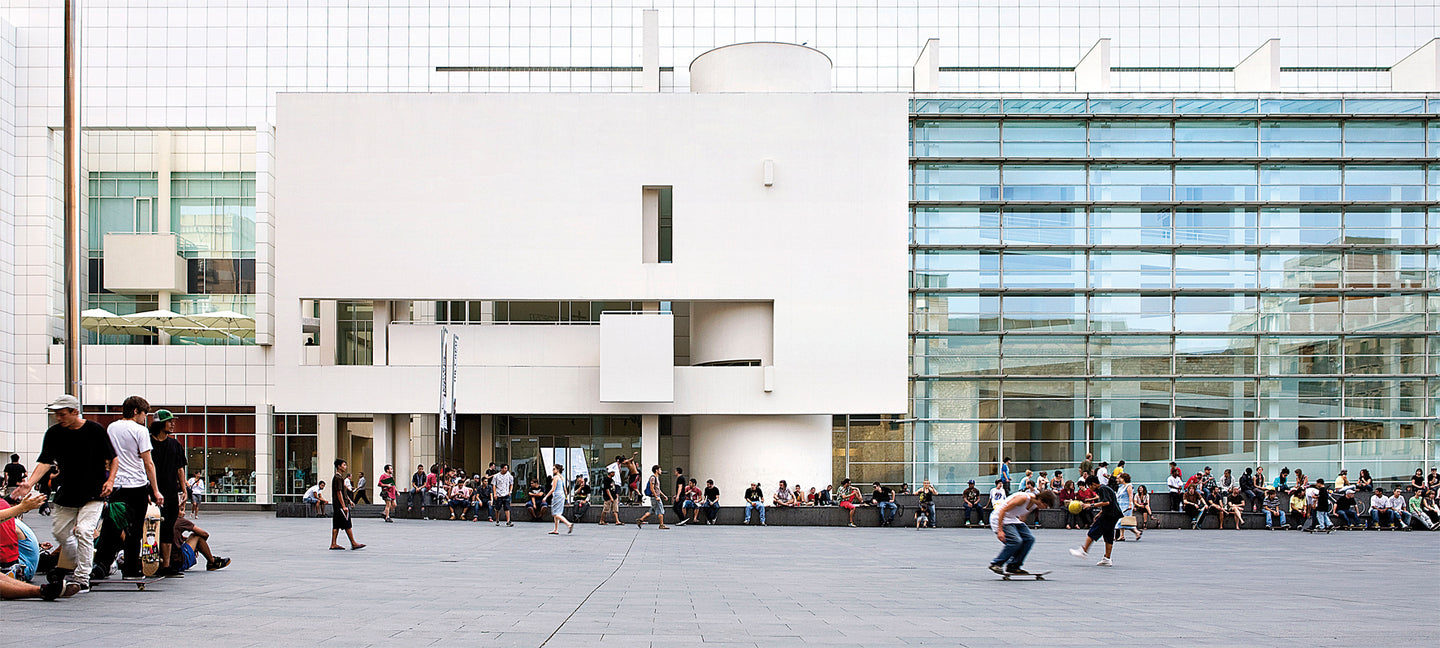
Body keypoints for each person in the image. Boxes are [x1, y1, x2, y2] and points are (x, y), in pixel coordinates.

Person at [92, 395, 163, 581]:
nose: (145, 417)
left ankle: (101, 563)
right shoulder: (140, 431)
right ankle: (131, 569)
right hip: (136, 486)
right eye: (144, 413)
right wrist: (155, 490)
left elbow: (108, 455)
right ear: (135, 412)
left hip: (116, 485)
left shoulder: (112, 427)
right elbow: (148, 463)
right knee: (134, 529)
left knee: (111, 525)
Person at [148, 409, 188, 577]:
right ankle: (148, 563)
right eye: (169, 421)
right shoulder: (148, 444)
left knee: (168, 529)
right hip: (151, 492)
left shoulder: (175, 444)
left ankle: (166, 565)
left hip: (171, 493)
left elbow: (180, 469)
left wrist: (184, 490)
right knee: (149, 528)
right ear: (160, 423)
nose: (173, 424)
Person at [987, 490, 1056, 576]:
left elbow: (1022, 516)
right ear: (1041, 499)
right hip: (999, 518)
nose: (1045, 508)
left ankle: (1014, 565)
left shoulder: (1034, 505)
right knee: (1016, 541)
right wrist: (1000, 530)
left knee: (1029, 539)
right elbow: (1003, 510)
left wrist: (1021, 530)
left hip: (1012, 519)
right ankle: (996, 563)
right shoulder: (1023, 498)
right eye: (1045, 505)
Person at [1069, 475, 1122, 566]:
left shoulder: (1102, 489)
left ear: (1093, 484)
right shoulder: (1104, 488)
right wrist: (1100, 513)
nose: (1090, 488)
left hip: (1109, 515)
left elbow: (1107, 502)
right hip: (1113, 515)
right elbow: (1110, 503)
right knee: (1108, 535)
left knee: (1093, 531)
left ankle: (1084, 551)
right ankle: (1107, 559)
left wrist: (1090, 505)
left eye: (1089, 486)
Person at [171, 508, 230, 572]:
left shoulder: (166, 520)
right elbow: (205, 534)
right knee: (197, 536)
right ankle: (212, 561)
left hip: (167, 562)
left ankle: (211, 559)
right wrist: (197, 547)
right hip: (179, 562)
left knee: (192, 538)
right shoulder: (180, 521)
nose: (184, 513)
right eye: (181, 510)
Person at [329, 459, 364, 550]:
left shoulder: (339, 478)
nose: (345, 467)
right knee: (347, 523)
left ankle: (333, 543)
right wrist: (344, 506)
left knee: (336, 524)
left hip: (338, 505)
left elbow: (343, 492)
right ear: (339, 466)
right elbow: (339, 492)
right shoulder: (338, 478)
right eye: (344, 465)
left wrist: (349, 501)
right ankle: (353, 543)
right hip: (340, 505)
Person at [635, 465, 668, 529]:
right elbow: (652, 488)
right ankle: (661, 525)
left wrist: (663, 495)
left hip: (656, 496)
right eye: (660, 469)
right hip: (655, 497)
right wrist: (656, 497)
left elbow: (658, 489)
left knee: (652, 511)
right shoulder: (653, 478)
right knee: (660, 510)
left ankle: (640, 520)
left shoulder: (656, 478)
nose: (661, 471)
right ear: (656, 470)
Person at [546, 465, 573, 535]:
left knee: (555, 513)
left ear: (557, 470)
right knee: (558, 512)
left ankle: (568, 524)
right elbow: (564, 489)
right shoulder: (561, 477)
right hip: (562, 495)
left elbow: (553, 489)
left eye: (554, 469)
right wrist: (566, 497)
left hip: (557, 495)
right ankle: (556, 529)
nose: (553, 470)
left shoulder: (555, 477)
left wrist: (545, 497)